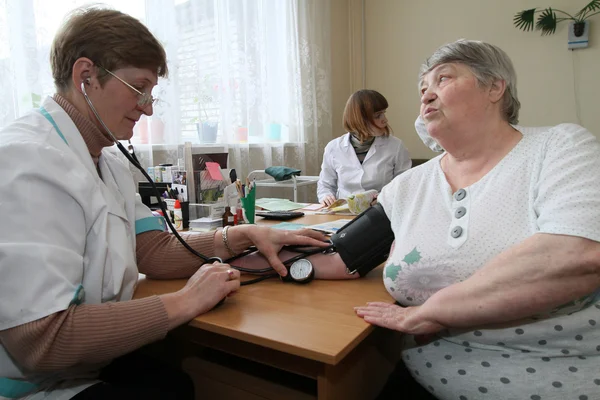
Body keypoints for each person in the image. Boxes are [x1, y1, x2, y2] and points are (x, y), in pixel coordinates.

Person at [0, 7, 336, 400]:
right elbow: (42, 340)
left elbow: (153, 250)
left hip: (82, 363)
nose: (148, 108)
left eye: (152, 94)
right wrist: (183, 302)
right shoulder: (25, 161)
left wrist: (243, 235)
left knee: (176, 383)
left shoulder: (106, 159)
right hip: (29, 384)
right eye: (139, 88)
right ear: (86, 76)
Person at [354, 39, 600, 399]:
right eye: (423, 88)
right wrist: (258, 238)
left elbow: (576, 255)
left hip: (556, 378)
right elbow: (343, 253)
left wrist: (432, 313)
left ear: (495, 87)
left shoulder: (560, 146)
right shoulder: (406, 186)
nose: (426, 95)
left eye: (443, 79)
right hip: (425, 377)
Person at [317, 90, 411, 206]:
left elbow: (405, 184)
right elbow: (325, 185)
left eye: (384, 113)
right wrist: (326, 196)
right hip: (344, 213)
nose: (385, 120)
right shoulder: (334, 148)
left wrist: (384, 198)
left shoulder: (396, 146)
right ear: (359, 119)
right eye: (378, 116)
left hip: (382, 211)